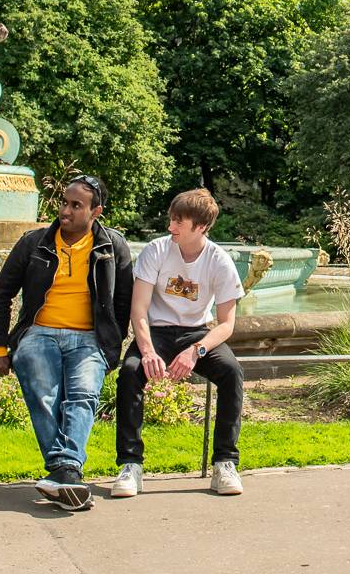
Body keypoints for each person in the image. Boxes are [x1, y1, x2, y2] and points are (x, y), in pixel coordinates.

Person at [0, 175, 134, 510]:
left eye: (75, 205)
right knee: (45, 394)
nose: (65, 210)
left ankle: (62, 473)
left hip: (88, 337)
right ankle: (67, 472)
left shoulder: (113, 246)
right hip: (39, 332)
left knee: (82, 394)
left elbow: (123, 301)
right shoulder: (33, 242)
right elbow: (1, 295)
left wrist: (111, 348)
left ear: (95, 211)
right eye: (64, 203)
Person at [112, 189, 248, 499]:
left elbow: (227, 323)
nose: (171, 227)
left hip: (195, 333)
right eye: (172, 219)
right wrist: (146, 351)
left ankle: (225, 463)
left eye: (179, 222)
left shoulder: (219, 261)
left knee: (231, 372)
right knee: (131, 372)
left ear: (200, 227)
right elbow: (139, 310)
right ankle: (130, 465)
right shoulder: (156, 251)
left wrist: (197, 350)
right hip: (156, 331)